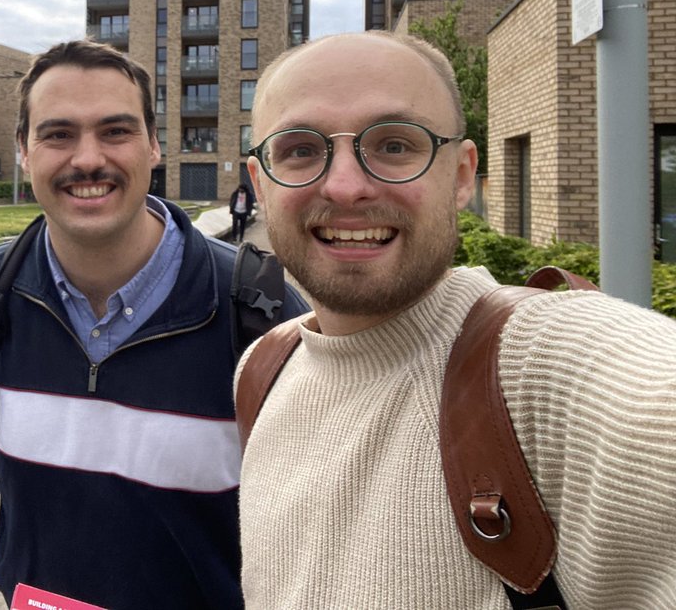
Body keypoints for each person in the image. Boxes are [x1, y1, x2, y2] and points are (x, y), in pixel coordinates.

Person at [236, 31, 676, 608]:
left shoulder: (549, 364)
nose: (345, 186)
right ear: (260, 185)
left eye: (395, 145)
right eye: (300, 150)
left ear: (463, 175)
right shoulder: (264, 369)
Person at [0, 40, 300, 609]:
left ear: (154, 146)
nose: (88, 158)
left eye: (115, 131)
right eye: (58, 134)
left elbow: (312, 532)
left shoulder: (260, 315)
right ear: (24, 150)